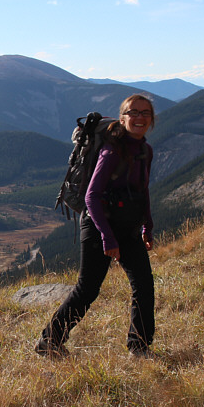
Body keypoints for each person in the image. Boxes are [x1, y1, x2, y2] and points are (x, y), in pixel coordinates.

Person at [36, 94, 157, 358]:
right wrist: (108, 238)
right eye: (133, 112)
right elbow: (91, 196)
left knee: (144, 286)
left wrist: (147, 225)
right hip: (99, 224)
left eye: (145, 113)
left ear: (152, 119)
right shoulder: (112, 150)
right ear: (122, 118)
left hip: (128, 226)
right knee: (88, 289)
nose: (139, 118)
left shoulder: (145, 151)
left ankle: (139, 348)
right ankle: (50, 340)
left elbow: (143, 190)